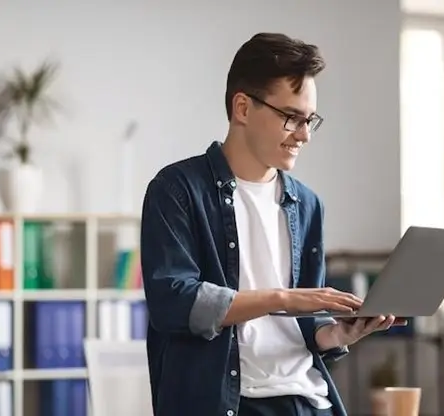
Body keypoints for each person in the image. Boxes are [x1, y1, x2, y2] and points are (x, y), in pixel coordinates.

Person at [140, 32, 399, 416]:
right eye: (291, 118)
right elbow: (173, 303)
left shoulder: (307, 204)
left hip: (311, 401)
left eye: (309, 120)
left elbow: (305, 326)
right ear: (243, 107)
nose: (305, 135)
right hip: (230, 403)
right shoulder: (177, 190)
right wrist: (282, 298)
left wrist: (338, 333)